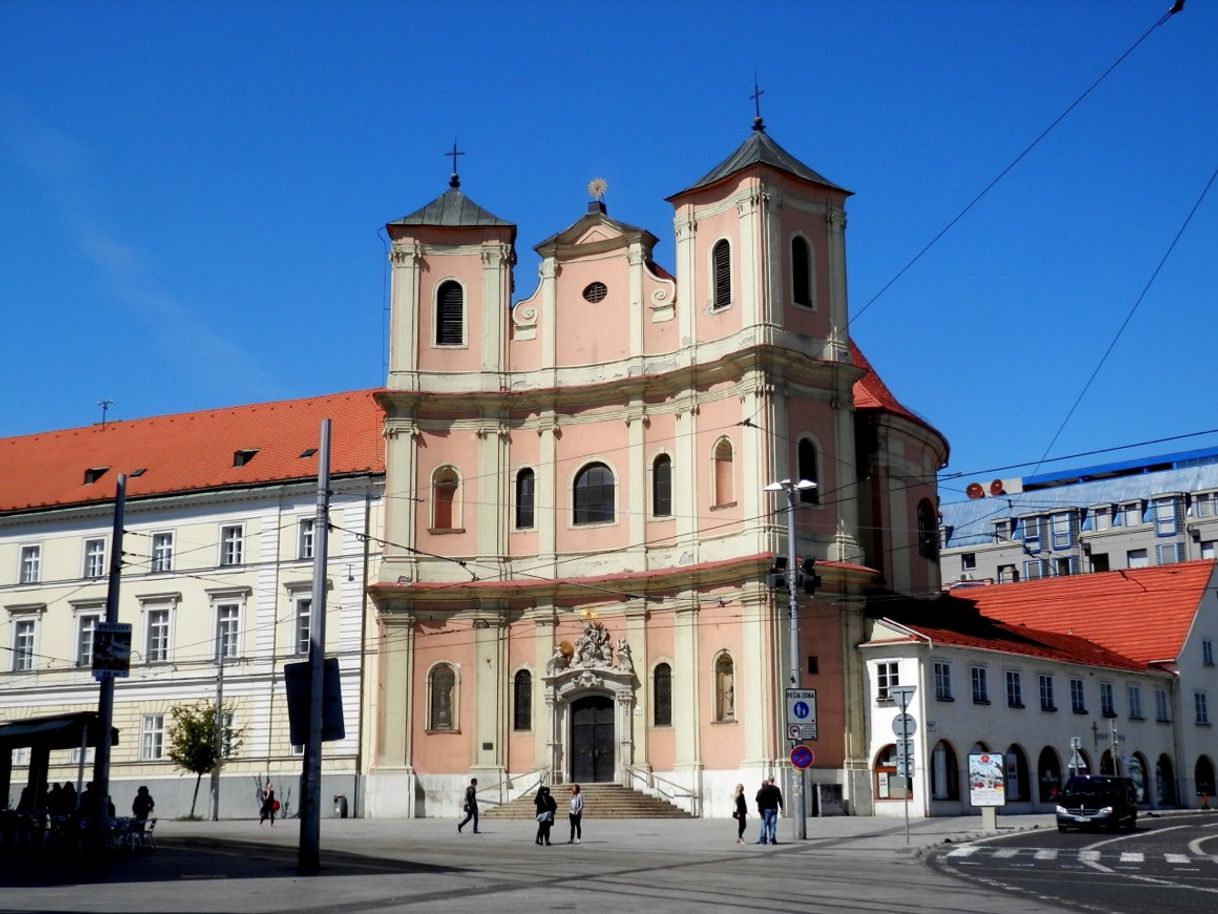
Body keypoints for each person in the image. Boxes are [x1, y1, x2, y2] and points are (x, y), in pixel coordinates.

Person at [755, 776, 783, 845]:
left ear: (768, 780)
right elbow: (780, 798)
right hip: (774, 809)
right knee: (772, 825)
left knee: (764, 824)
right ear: (773, 780)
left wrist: (760, 807)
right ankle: (772, 840)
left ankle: (763, 840)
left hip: (765, 809)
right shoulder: (776, 789)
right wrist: (781, 807)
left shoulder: (763, 789)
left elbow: (757, 799)